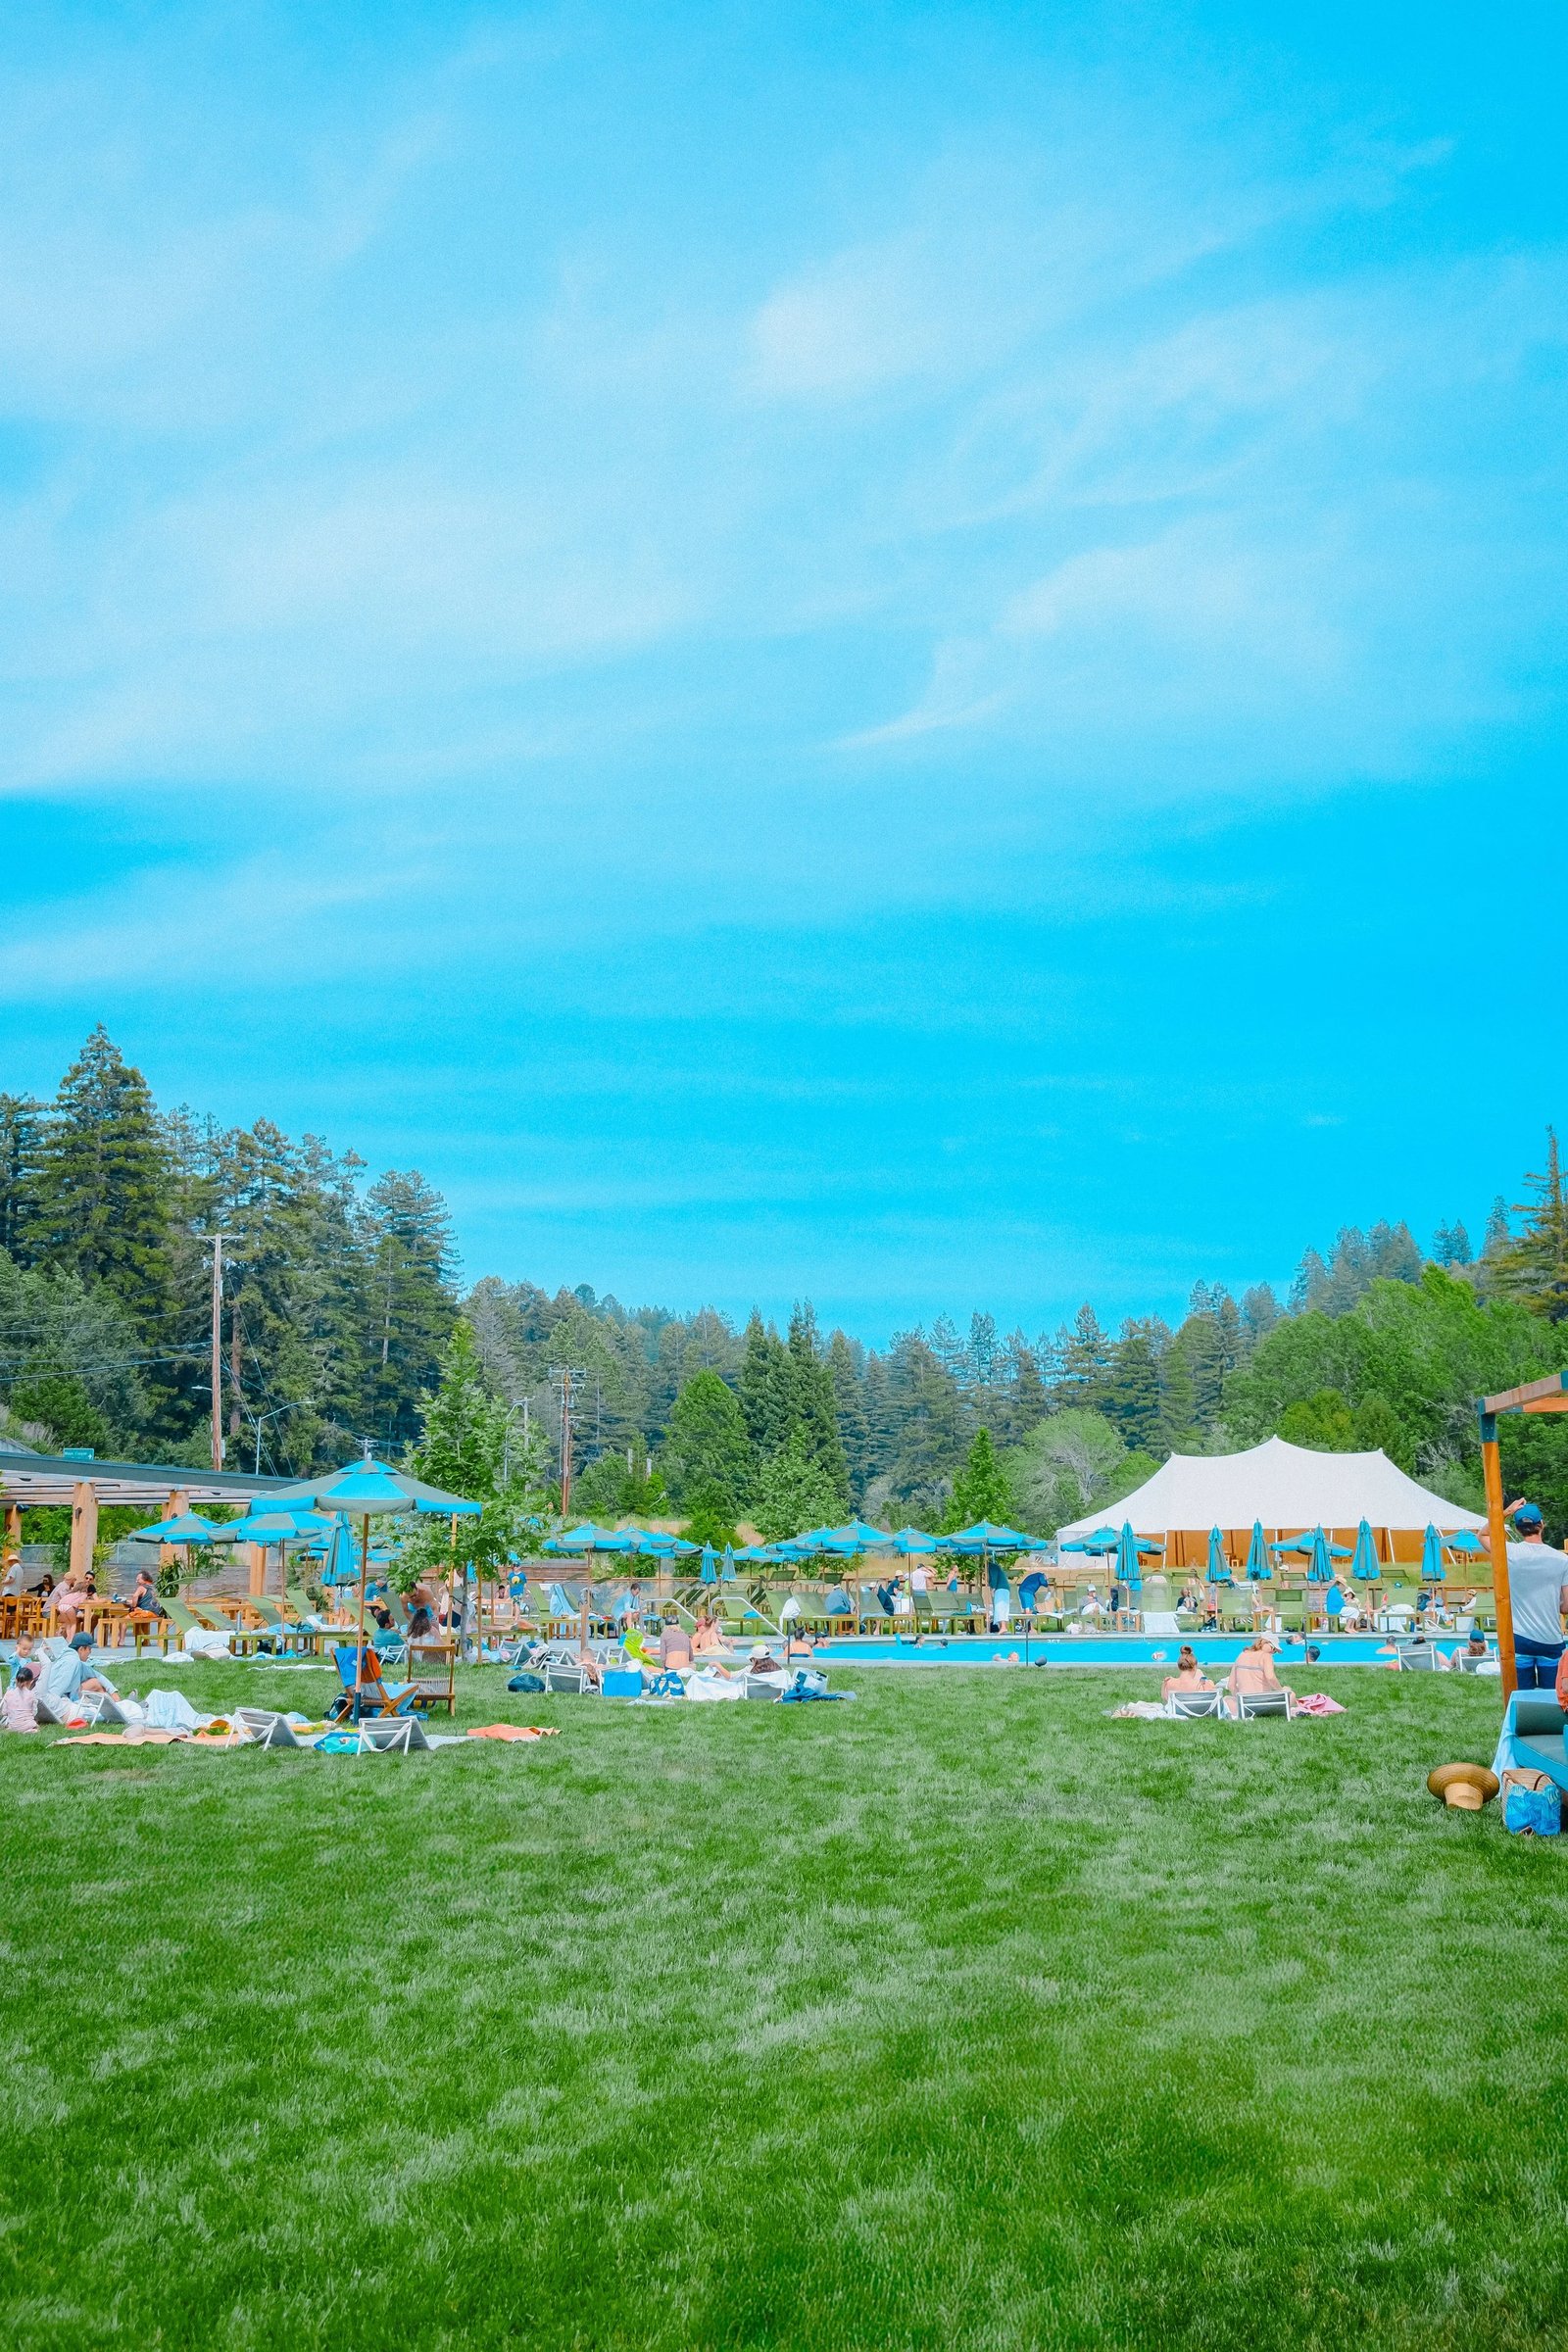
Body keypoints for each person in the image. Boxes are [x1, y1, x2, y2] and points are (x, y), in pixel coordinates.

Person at [1493, 1499, 1568, 1690]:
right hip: (1550, 1639)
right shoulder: (1561, 1560)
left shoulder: (1509, 1552)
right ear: (1542, 1524)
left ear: (1518, 1529)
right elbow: (1567, 1606)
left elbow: (1482, 1535)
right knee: (1552, 1699)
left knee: (1521, 1697)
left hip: (1520, 1638)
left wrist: (1505, 1512)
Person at [40, 1630, 118, 1712]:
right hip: (58, 1699)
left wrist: (113, 1692)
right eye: (89, 1649)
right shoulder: (71, 1662)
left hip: (65, 1694)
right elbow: (57, 1688)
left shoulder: (73, 1659)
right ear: (81, 1649)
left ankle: (115, 1705)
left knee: (97, 1682)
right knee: (95, 1683)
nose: (90, 1652)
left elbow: (97, 1675)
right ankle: (114, 1709)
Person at [1228, 1634, 1293, 1708]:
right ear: (1263, 1643)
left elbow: (1231, 1685)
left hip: (1244, 1702)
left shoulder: (1241, 1655)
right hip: (1262, 1702)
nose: (1272, 1652)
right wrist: (1281, 1690)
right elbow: (1270, 1677)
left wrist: (1240, 1699)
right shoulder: (1266, 1656)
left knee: (1227, 1699)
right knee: (1291, 1695)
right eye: (1273, 1648)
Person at [1, 1665, 38, 1732]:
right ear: (31, 1681)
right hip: (28, 1725)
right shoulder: (32, 1695)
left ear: (16, 1680)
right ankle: (28, 1730)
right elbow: (34, 1712)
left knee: (10, 1725)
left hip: (13, 1725)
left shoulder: (8, 1693)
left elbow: (4, 1712)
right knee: (34, 1725)